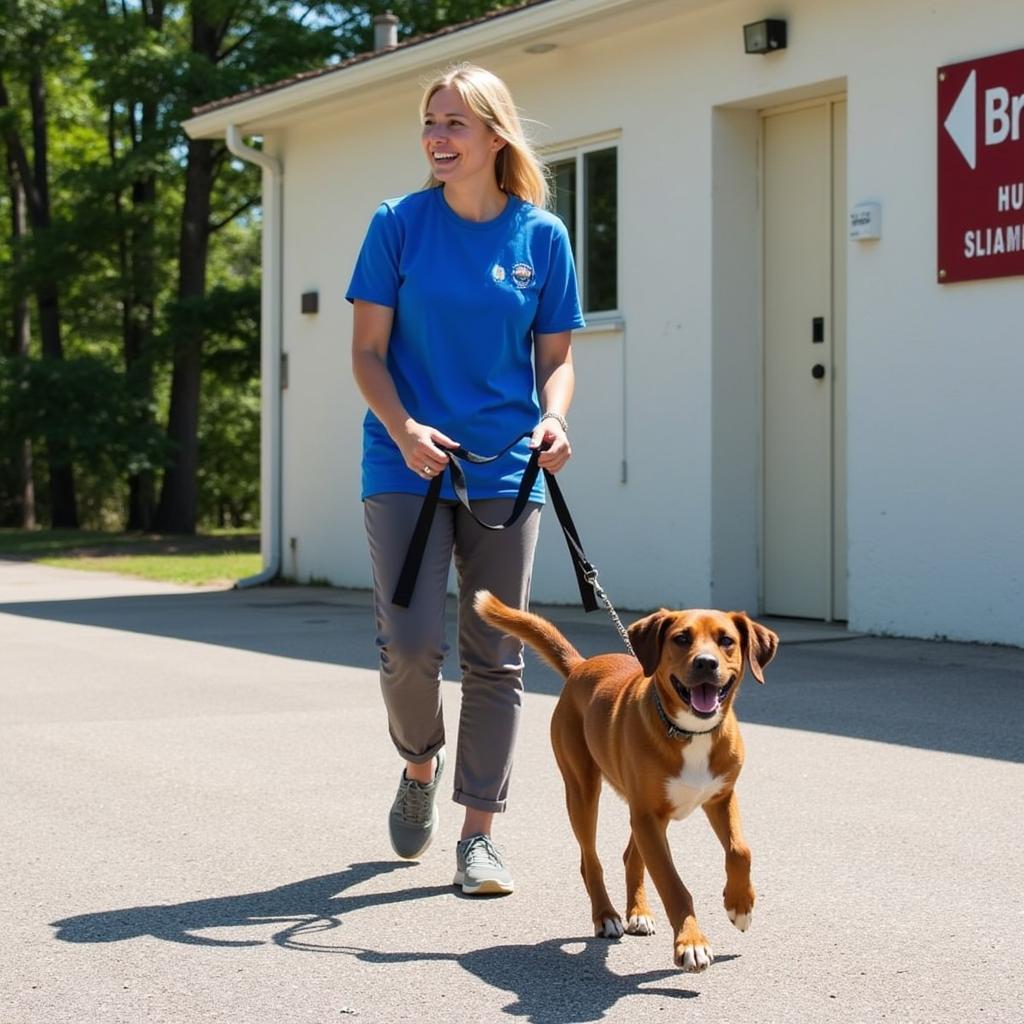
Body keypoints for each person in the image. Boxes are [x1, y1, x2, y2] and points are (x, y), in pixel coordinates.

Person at [346, 63, 584, 896]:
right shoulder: (397, 226)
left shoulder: (541, 238)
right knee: (409, 646)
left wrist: (554, 418)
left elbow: (555, 361)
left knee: (496, 658)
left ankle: (479, 832)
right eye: (430, 123)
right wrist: (404, 428)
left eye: (455, 123)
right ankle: (419, 765)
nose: (438, 138)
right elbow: (367, 354)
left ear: (494, 135)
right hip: (406, 463)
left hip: (504, 472)